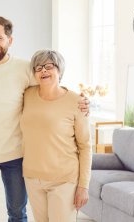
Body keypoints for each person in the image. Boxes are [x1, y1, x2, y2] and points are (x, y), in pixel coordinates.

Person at [0, 16, 90, 222]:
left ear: (9, 40)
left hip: (16, 155)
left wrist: (81, 101)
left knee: (17, 214)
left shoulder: (24, 68)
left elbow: (51, 86)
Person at [20, 49, 92, 222]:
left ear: (60, 70)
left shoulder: (77, 102)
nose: (43, 70)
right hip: (32, 177)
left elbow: (85, 146)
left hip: (64, 180)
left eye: (49, 66)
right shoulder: (27, 95)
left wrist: (83, 185)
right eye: (38, 68)